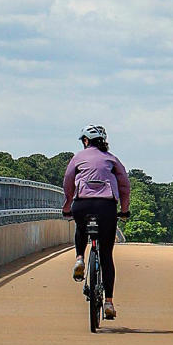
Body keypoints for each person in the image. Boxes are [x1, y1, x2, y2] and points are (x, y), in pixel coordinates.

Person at [62, 125, 131, 319]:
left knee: (81, 228)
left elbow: (68, 182)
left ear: (85, 141)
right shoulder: (112, 159)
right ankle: (108, 302)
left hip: (82, 204)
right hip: (106, 206)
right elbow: (124, 185)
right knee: (106, 255)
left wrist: (67, 206)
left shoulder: (77, 158)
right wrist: (124, 210)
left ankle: (79, 258)